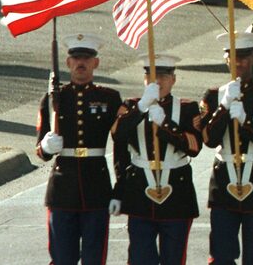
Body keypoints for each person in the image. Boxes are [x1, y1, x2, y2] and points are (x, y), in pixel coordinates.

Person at [36, 34, 122, 265]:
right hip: (62, 190)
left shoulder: (110, 98)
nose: (80, 63)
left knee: (95, 258)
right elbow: (40, 151)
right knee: (62, 258)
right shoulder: (55, 98)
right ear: (67, 63)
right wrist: (46, 145)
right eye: (75, 58)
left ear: (96, 63)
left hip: (97, 189)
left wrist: (119, 190)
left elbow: (122, 146)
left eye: (86, 58)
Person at [111, 54, 202, 265]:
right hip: (139, 193)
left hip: (176, 195)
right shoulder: (132, 106)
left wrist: (166, 125)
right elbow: (118, 137)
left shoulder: (187, 108)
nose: (157, 82)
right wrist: (142, 107)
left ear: (173, 79)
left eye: (163, 76)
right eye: (151, 77)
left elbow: (194, 147)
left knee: (174, 258)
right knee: (140, 258)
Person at [201, 32, 253, 265]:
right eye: (233, 57)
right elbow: (207, 139)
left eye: (244, 57)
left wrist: (246, 122)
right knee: (221, 255)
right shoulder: (214, 96)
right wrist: (224, 109)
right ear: (226, 59)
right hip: (223, 180)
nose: (239, 62)